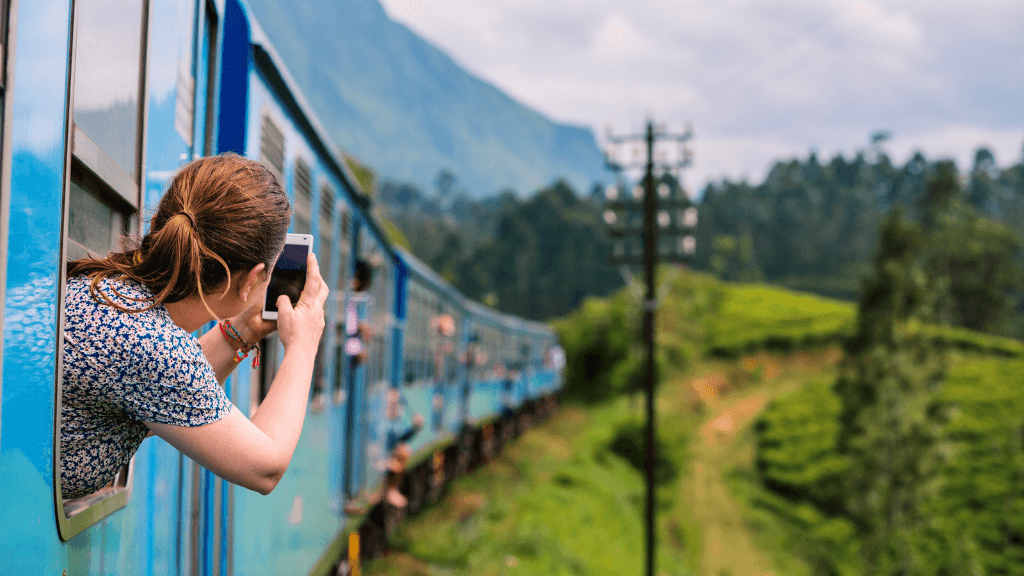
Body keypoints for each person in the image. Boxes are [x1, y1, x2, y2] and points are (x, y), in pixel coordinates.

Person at [60, 153, 329, 500]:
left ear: (158, 223)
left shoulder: (111, 292)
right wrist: (304, 346)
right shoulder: (153, 345)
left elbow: (163, 390)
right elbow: (266, 467)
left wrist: (242, 333)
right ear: (252, 280)